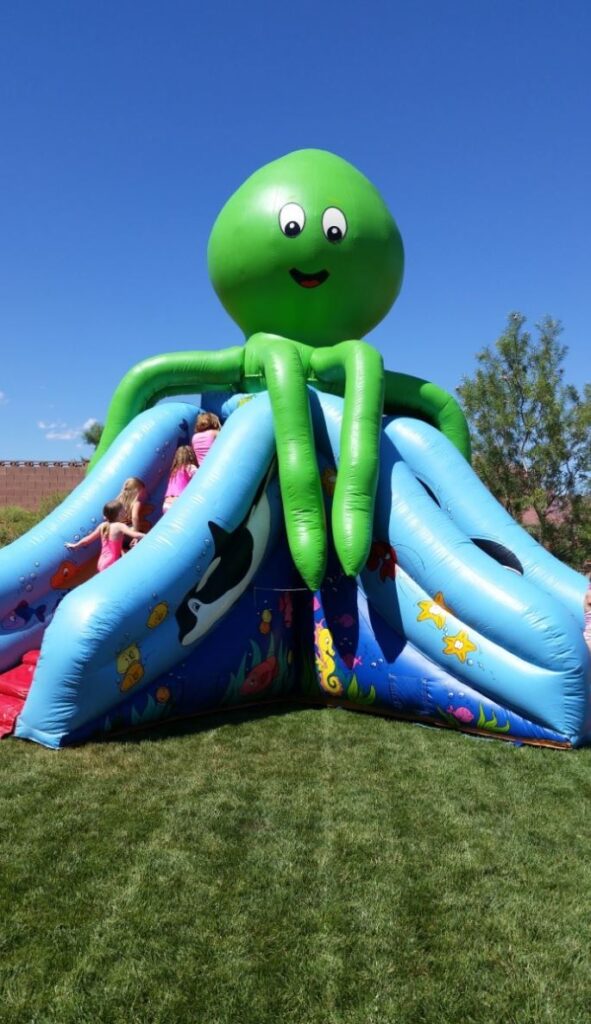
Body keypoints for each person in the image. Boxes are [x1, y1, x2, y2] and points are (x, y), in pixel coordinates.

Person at [65, 500, 144, 572]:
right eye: (123, 510)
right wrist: (149, 536)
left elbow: (87, 540)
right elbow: (135, 534)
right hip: (111, 562)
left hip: (101, 563)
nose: (125, 511)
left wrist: (75, 545)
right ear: (120, 514)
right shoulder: (120, 526)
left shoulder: (102, 526)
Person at [162, 445, 198, 513]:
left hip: (166, 503)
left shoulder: (174, 471)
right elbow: (199, 477)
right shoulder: (189, 467)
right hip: (178, 501)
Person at [118, 476, 149, 541]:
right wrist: (136, 534)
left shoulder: (119, 499)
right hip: (128, 531)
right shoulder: (136, 503)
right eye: (141, 491)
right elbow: (134, 517)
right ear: (136, 491)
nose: (142, 494)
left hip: (117, 531)